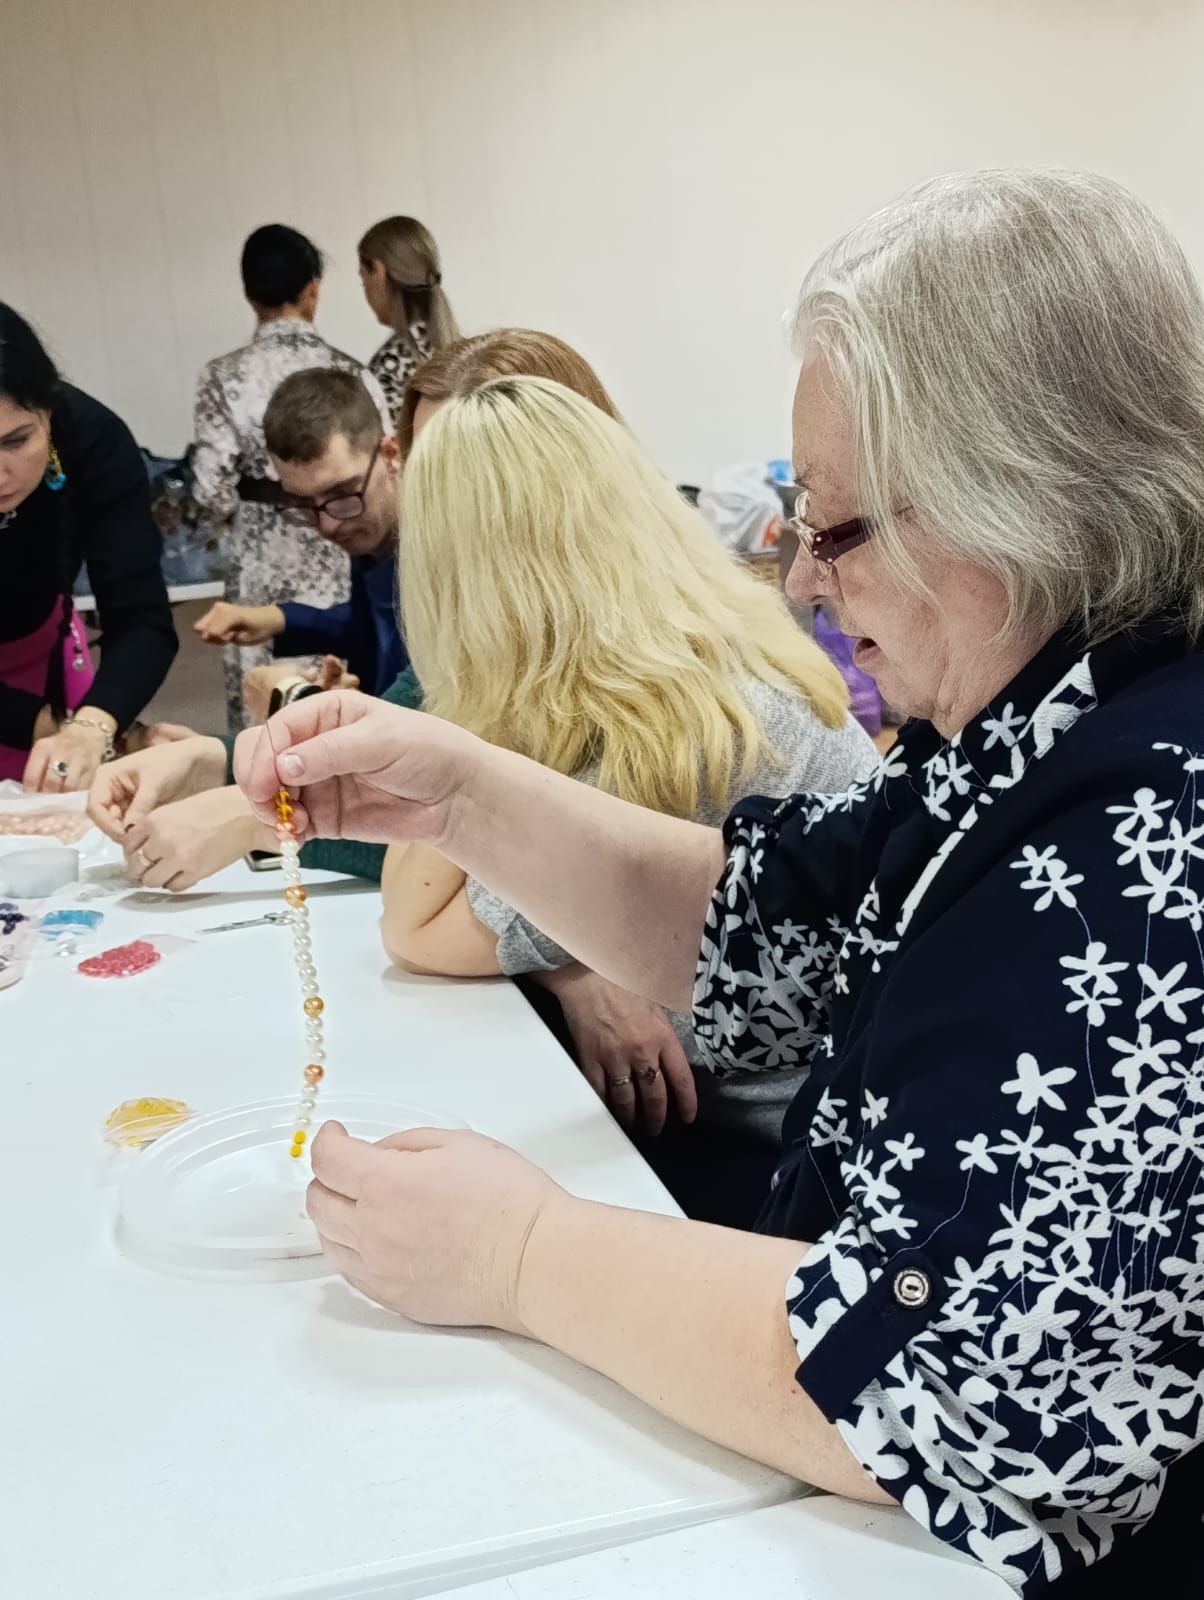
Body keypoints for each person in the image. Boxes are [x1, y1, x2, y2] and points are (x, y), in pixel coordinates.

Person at [236, 170, 1204, 1597]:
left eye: (839, 527)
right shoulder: (1024, 723)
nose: (809, 583)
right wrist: (460, 789)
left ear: (1017, 502)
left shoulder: (1146, 840)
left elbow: (945, 1397)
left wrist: (525, 1256)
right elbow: (769, 930)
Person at [377, 374, 876, 1214]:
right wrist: (573, 968)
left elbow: (415, 924)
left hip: (795, 1176)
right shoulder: (707, 665)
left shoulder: (654, 740)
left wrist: (465, 711)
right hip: (825, 1133)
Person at [193, 225, 387, 731]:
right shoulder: (355, 373)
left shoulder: (222, 377)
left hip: (261, 564)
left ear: (248, 294)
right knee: (350, 705)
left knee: (268, 725)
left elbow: (210, 493)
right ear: (313, 289)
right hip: (341, 561)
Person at [0, 304, 176, 791]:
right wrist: (56, 727)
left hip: (47, 651)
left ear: (50, 414)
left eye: (17, 441)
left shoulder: (94, 440)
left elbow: (142, 620)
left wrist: (94, 726)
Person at [192, 368, 407, 700]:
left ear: (390, 455)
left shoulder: (445, 552)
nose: (327, 526)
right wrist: (276, 618)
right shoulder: (369, 528)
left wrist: (294, 698)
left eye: (342, 492)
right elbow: (370, 627)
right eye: (303, 502)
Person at [358, 216, 459, 425]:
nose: (365, 290)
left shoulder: (388, 367)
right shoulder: (464, 352)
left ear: (378, 271)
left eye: (363, 279)